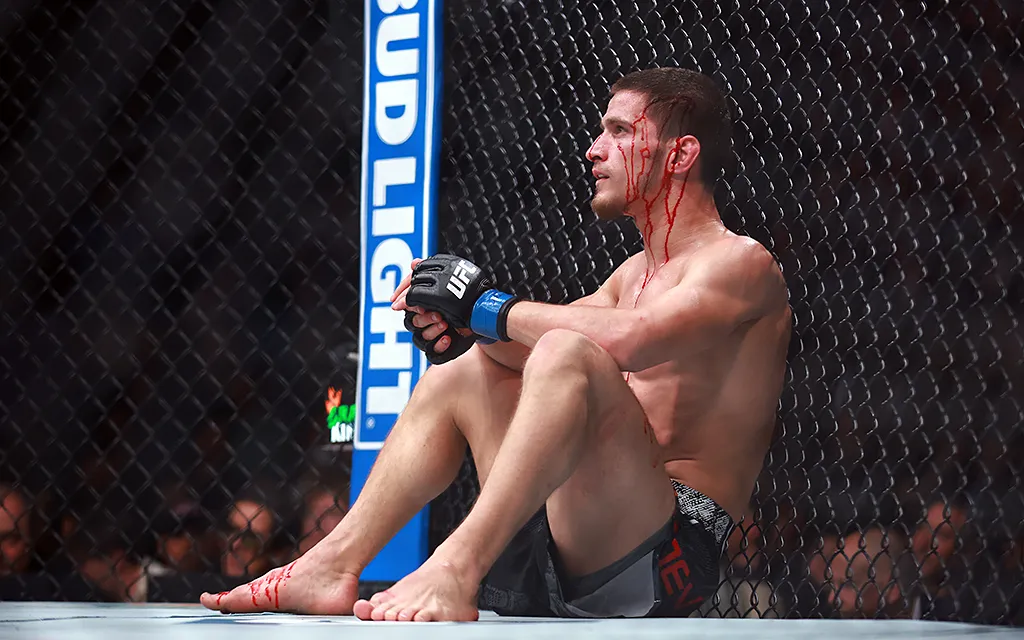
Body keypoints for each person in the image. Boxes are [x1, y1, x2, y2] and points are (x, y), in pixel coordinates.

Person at [201, 66, 792, 621]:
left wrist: (488, 308)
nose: (594, 149)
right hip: (568, 542)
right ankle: (329, 564)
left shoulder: (740, 264)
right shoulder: (630, 277)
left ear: (681, 154)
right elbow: (524, 347)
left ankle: (456, 567)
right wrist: (464, 326)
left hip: (667, 560)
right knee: (462, 370)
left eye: (618, 131)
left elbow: (630, 341)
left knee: (564, 349)